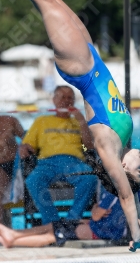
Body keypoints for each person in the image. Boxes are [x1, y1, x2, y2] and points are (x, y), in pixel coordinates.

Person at [0, 0, 140, 251]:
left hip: (81, 68)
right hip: (89, 58)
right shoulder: (124, 139)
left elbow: (125, 194)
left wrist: (138, 237)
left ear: (126, 170)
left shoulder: (110, 148)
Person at [0, 149, 140, 247]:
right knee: (58, 225)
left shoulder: (116, 189)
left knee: (54, 235)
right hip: (105, 227)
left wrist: (95, 211)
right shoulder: (128, 186)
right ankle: (14, 234)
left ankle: (15, 240)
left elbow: (97, 215)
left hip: (101, 231)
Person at [21, 85, 97, 224]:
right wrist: (24, 148)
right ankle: (52, 223)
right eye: (63, 97)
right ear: (54, 100)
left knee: (90, 178)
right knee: (33, 180)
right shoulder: (41, 121)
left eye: (70, 98)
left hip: (73, 162)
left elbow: (89, 146)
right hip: (47, 163)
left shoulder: (79, 122)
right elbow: (29, 144)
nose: (66, 101)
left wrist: (81, 121)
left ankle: (72, 220)